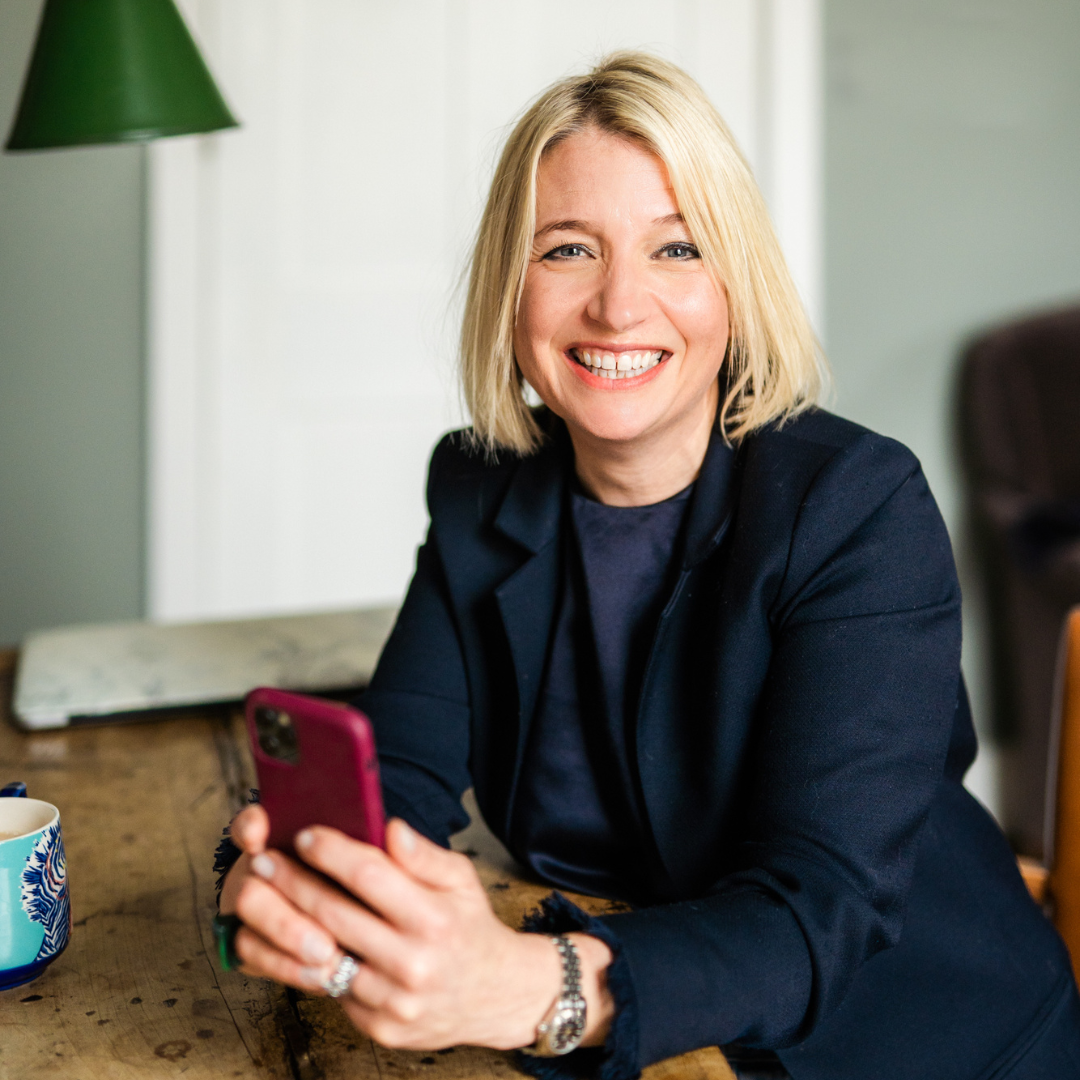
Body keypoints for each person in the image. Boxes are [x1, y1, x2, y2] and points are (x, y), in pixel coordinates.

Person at [214, 52, 1080, 1080]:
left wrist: (532, 987)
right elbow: (397, 767)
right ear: (511, 284)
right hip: (663, 1038)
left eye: (677, 248)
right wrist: (300, 882)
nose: (619, 306)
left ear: (735, 284)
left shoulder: (857, 506)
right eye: (569, 249)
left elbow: (818, 911)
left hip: (905, 1041)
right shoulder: (481, 487)